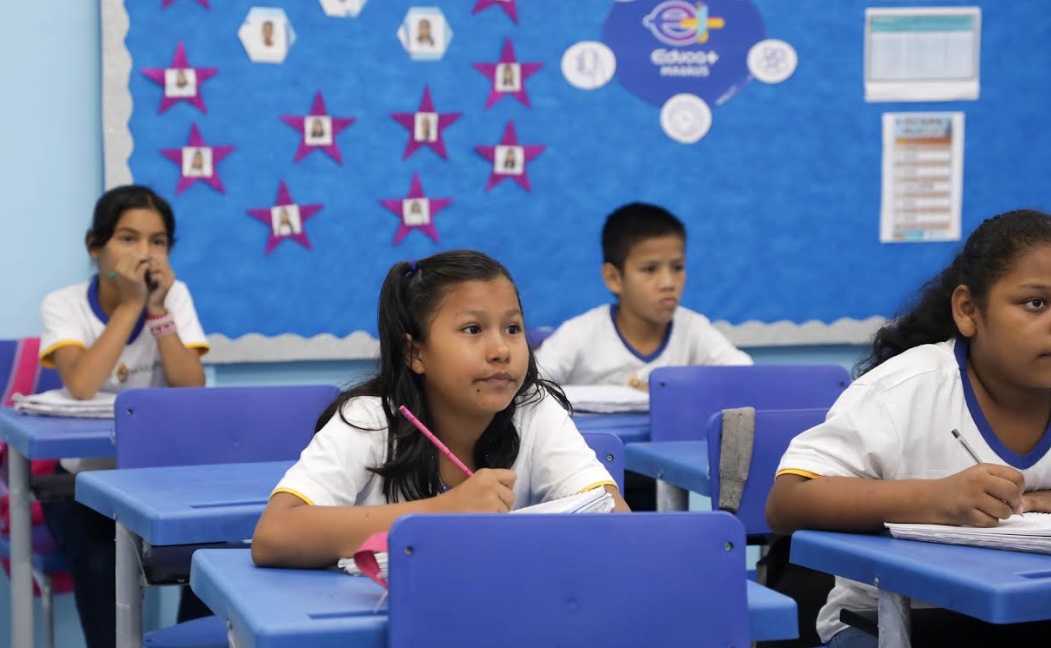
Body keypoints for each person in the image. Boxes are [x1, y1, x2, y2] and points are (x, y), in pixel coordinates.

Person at [766, 209, 1051, 648]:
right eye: (1036, 303)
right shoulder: (905, 390)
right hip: (887, 624)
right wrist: (936, 498)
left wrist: (1034, 501)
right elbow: (788, 500)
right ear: (968, 310)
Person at [252, 250, 629, 568]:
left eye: (513, 328)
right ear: (415, 353)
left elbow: (614, 520)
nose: (501, 349)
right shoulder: (368, 421)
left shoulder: (534, 410)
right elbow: (274, 535)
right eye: (472, 329)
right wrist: (444, 510)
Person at [38, 185, 210, 648]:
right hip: (83, 485)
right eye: (128, 239)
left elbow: (191, 387)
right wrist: (131, 303)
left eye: (158, 242)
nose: (145, 253)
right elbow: (82, 384)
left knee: (212, 556)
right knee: (99, 560)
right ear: (95, 247)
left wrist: (156, 310)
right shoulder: (64, 303)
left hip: (157, 482)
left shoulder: (176, 296)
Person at [536, 202, 751, 390]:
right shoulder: (579, 334)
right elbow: (528, 387)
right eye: (650, 269)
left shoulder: (693, 329)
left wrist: (671, 391)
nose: (668, 283)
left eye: (677, 267)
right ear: (614, 278)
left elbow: (746, 376)